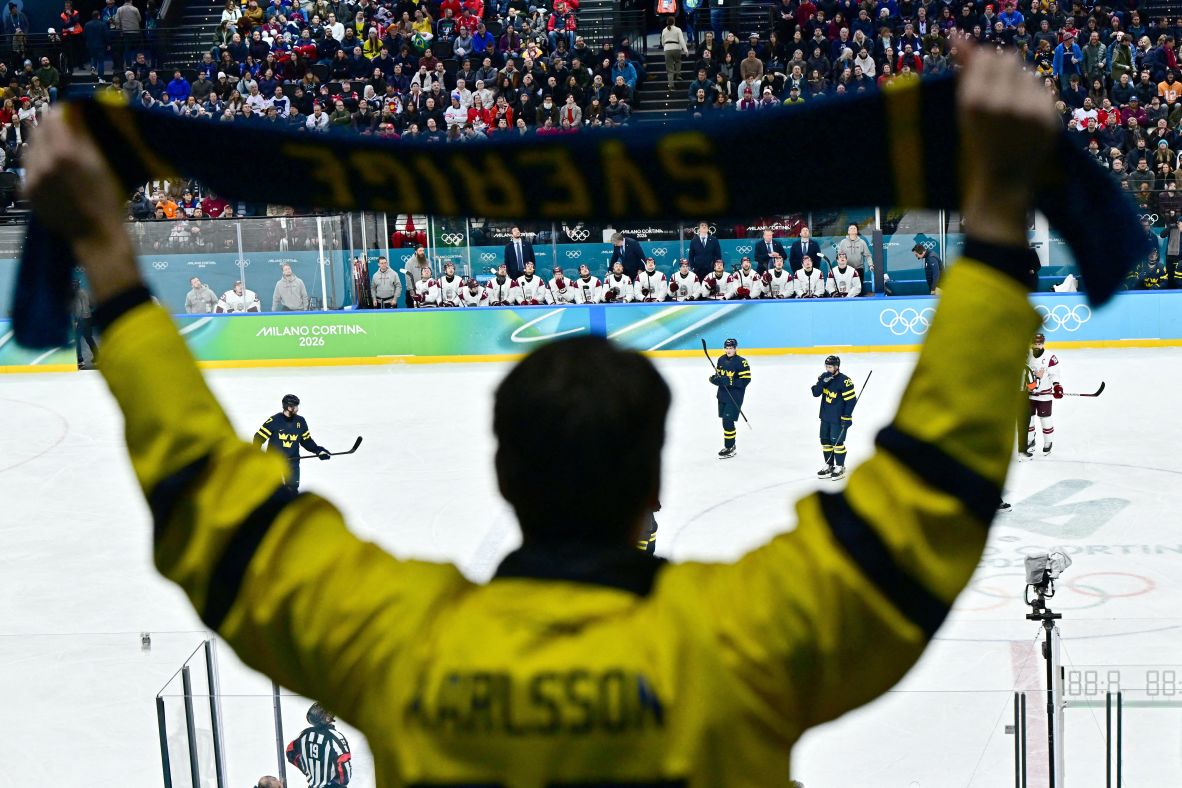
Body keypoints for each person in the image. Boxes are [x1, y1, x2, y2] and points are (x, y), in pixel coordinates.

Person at [26, 44, 1056, 784]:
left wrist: (113, 273)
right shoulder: (742, 642)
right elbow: (930, 499)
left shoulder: (399, 645)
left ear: (504, 476)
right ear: (653, 488)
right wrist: (1002, 216)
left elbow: (214, 510)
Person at [252, 394, 330, 491]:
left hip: (293, 462)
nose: (297, 409)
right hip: (274, 462)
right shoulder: (274, 420)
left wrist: (319, 451)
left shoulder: (301, 421)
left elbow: (307, 441)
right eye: (296, 406)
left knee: (293, 490)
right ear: (289, 407)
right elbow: (258, 438)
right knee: (273, 491)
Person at [811, 354, 857, 479]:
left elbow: (851, 401)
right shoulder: (825, 377)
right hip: (825, 417)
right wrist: (822, 383)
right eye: (827, 366)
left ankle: (840, 466)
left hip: (838, 419)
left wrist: (847, 417)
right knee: (825, 441)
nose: (828, 369)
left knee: (837, 443)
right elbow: (816, 393)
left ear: (837, 367)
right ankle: (829, 465)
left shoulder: (844, 381)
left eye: (830, 367)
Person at [286, 703, 352, 787]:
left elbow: (290, 751)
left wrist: (306, 770)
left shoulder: (304, 734)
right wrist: (343, 783)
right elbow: (343, 762)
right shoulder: (335, 736)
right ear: (325, 718)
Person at [710, 337, 751, 459]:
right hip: (722, 395)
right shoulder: (721, 359)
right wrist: (715, 379)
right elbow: (719, 376)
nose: (729, 350)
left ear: (736, 348)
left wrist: (730, 381)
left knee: (728, 421)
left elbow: (745, 380)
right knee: (725, 421)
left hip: (735, 397)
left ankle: (730, 447)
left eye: (731, 348)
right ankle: (730, 446)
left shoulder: (742, 362)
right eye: (727, 348)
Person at [1023, 332, 1062, 457]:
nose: (1036, 345)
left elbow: (1054, 375)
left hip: (1044, 395)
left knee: (1045, 420)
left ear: (1043, 344)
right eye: (1034, 343)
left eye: (1039, 343)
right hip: (1028, 394)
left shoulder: (1050, 357)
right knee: (1028, 420)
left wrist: (1057, 386)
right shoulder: (1026, 355)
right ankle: (1030, 440)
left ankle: (1048, 441)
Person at [835, 223, 875, 294]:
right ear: (848, 231)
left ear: (857, 231)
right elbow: (839, 255)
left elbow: (868, 255)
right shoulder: (843, 242)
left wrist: (871, 265)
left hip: (859, 268)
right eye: (851, 228)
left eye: (854, 228)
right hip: (846, 269)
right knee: (847, 289)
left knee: (858, 289)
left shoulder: (862, 242)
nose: (853, 230)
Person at [72, 279, 97, 368]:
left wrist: (76, 321)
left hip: (81, 319)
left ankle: (80, 360)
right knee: (89, 338)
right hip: (88, 318)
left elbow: (79, 308)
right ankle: (97, 356)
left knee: (77, 340)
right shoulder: (84, 292)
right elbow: (92, 305)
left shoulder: (77, 294)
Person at [660, 15, 688, 91]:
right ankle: (678, 74)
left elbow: (662, 42)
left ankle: (671, 86)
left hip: (667, 49)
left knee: (669, 69)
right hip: (676, 48)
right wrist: (685, 50)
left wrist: (665, 47)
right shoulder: (678, 29)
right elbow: (681, 40)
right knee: (678, 61)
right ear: (674, 21)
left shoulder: (664, 30)